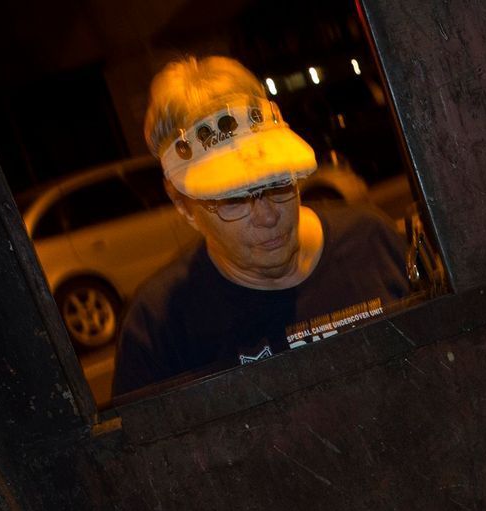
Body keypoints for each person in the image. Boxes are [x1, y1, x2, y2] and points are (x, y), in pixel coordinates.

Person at [112, 56, 412, 397]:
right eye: (233, 200)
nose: (268, 216)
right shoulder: (159, 327)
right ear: (183, 204)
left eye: (279, 184)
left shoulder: (370, 239)